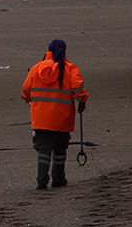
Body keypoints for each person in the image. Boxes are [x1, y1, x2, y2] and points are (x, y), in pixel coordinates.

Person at [21, 39, 87, 190]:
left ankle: (41, 180)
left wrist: (32, 100)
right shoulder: (69, 69)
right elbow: (79, 93)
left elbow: (25, 92)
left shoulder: (36, 69)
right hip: (62, 118)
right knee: (60, 148)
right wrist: (83, 101)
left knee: (44, 149)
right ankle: (58, 178)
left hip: (42, 119)